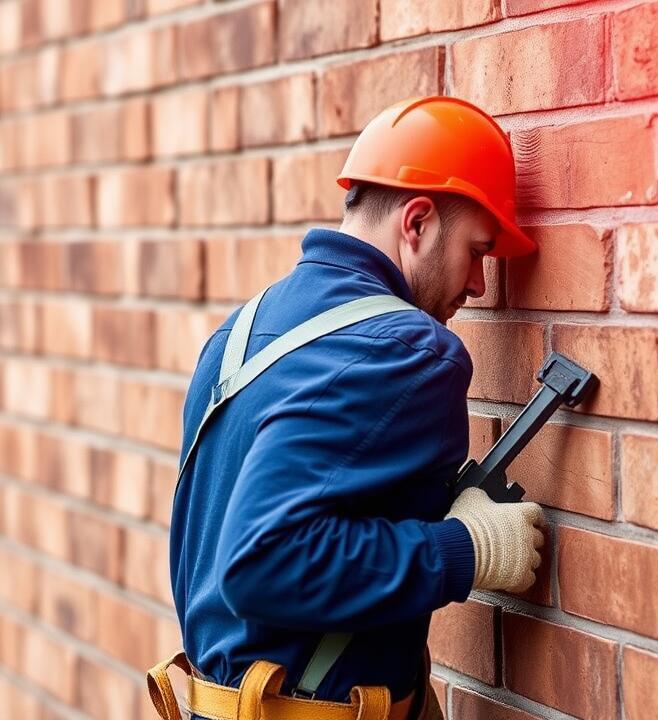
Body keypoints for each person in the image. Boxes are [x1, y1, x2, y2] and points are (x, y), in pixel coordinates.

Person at [149, 96, 547, 720]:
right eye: (477, 251)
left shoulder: (239, 335)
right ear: (416, 223)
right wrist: (466, 549)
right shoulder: (411, 351)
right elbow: (262, 562)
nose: (479, 284)